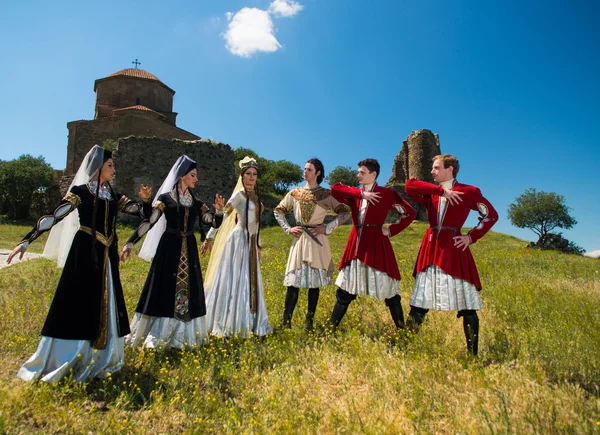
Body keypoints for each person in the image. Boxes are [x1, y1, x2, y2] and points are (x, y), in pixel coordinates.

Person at [7, 145, 152, 382]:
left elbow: (142, 213)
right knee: (79, 299)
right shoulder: (80, 192)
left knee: (106, 298)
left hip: (107, 254)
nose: (114, 170)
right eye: (110, 165)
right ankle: (72, 353)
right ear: (98, 167)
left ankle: (103, 353)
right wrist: (26, 241)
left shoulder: (114, 196)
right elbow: (55, 216)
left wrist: (146, 201)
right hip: (85, 251)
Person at [120, 156, 224, 349]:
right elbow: (149, 221)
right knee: (164, 287)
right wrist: (130, 243)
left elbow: (212, 222)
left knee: (189, 288)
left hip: (189, 248)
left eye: (196, 176)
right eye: (193, 175)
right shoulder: (166, 199)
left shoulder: (196, 202)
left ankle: (183, 334)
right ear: (182, 175)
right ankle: (160, 333)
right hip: (169, 248)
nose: (196, 179)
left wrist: (219, 212)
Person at [404, 154, 498, 356]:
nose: (432, 171)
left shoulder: (469, 191)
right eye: (432, 167)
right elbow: (409, 186)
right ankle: (404, 347)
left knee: (467, 307)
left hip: (454, 250)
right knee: (419, 303)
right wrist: (441, 191)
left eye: (436, 167)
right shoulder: (431, 192)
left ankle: (472, 356)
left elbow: (490, 215)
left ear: (450, 169)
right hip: (431, 248)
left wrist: (471, 237)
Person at [328, 158, 416, 330]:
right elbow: (335, 189)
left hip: (376, 243)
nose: (358, 175)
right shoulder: (355, 194)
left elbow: (409, 213)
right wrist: (362, 194)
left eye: (362, 172)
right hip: (356, 243)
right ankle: (331, 327)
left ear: (373, 174)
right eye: (358, 171)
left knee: (390, 293)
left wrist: (391, 230)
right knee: (345, 291)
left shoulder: (386, 194)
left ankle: (401, 330)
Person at [273, 158, 350, 330]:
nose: (305, 171)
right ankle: (286, 323)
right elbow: (278, 211)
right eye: (304, 169)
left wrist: (327, 228)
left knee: (314, 285)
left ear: (318, 172)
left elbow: (345, 213)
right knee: (293, 283)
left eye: (309, 169)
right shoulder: (295, 193)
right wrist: (288, 229)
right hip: (299, 240)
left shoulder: (326, 194)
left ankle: (309, 322)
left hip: (317, 241)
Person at [201, 157, 273, 337]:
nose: (251, 177)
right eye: (248, 174)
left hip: (251, 242)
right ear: (242, 176)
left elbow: (256, 224)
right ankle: (228, 320)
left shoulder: (256, 197)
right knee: (234, 279)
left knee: (250, 280)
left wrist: (258, 245)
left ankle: (249, 319)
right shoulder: (239, 195)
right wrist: (209, 237)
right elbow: (223, 216)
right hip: (238, 240)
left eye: (254, 174)